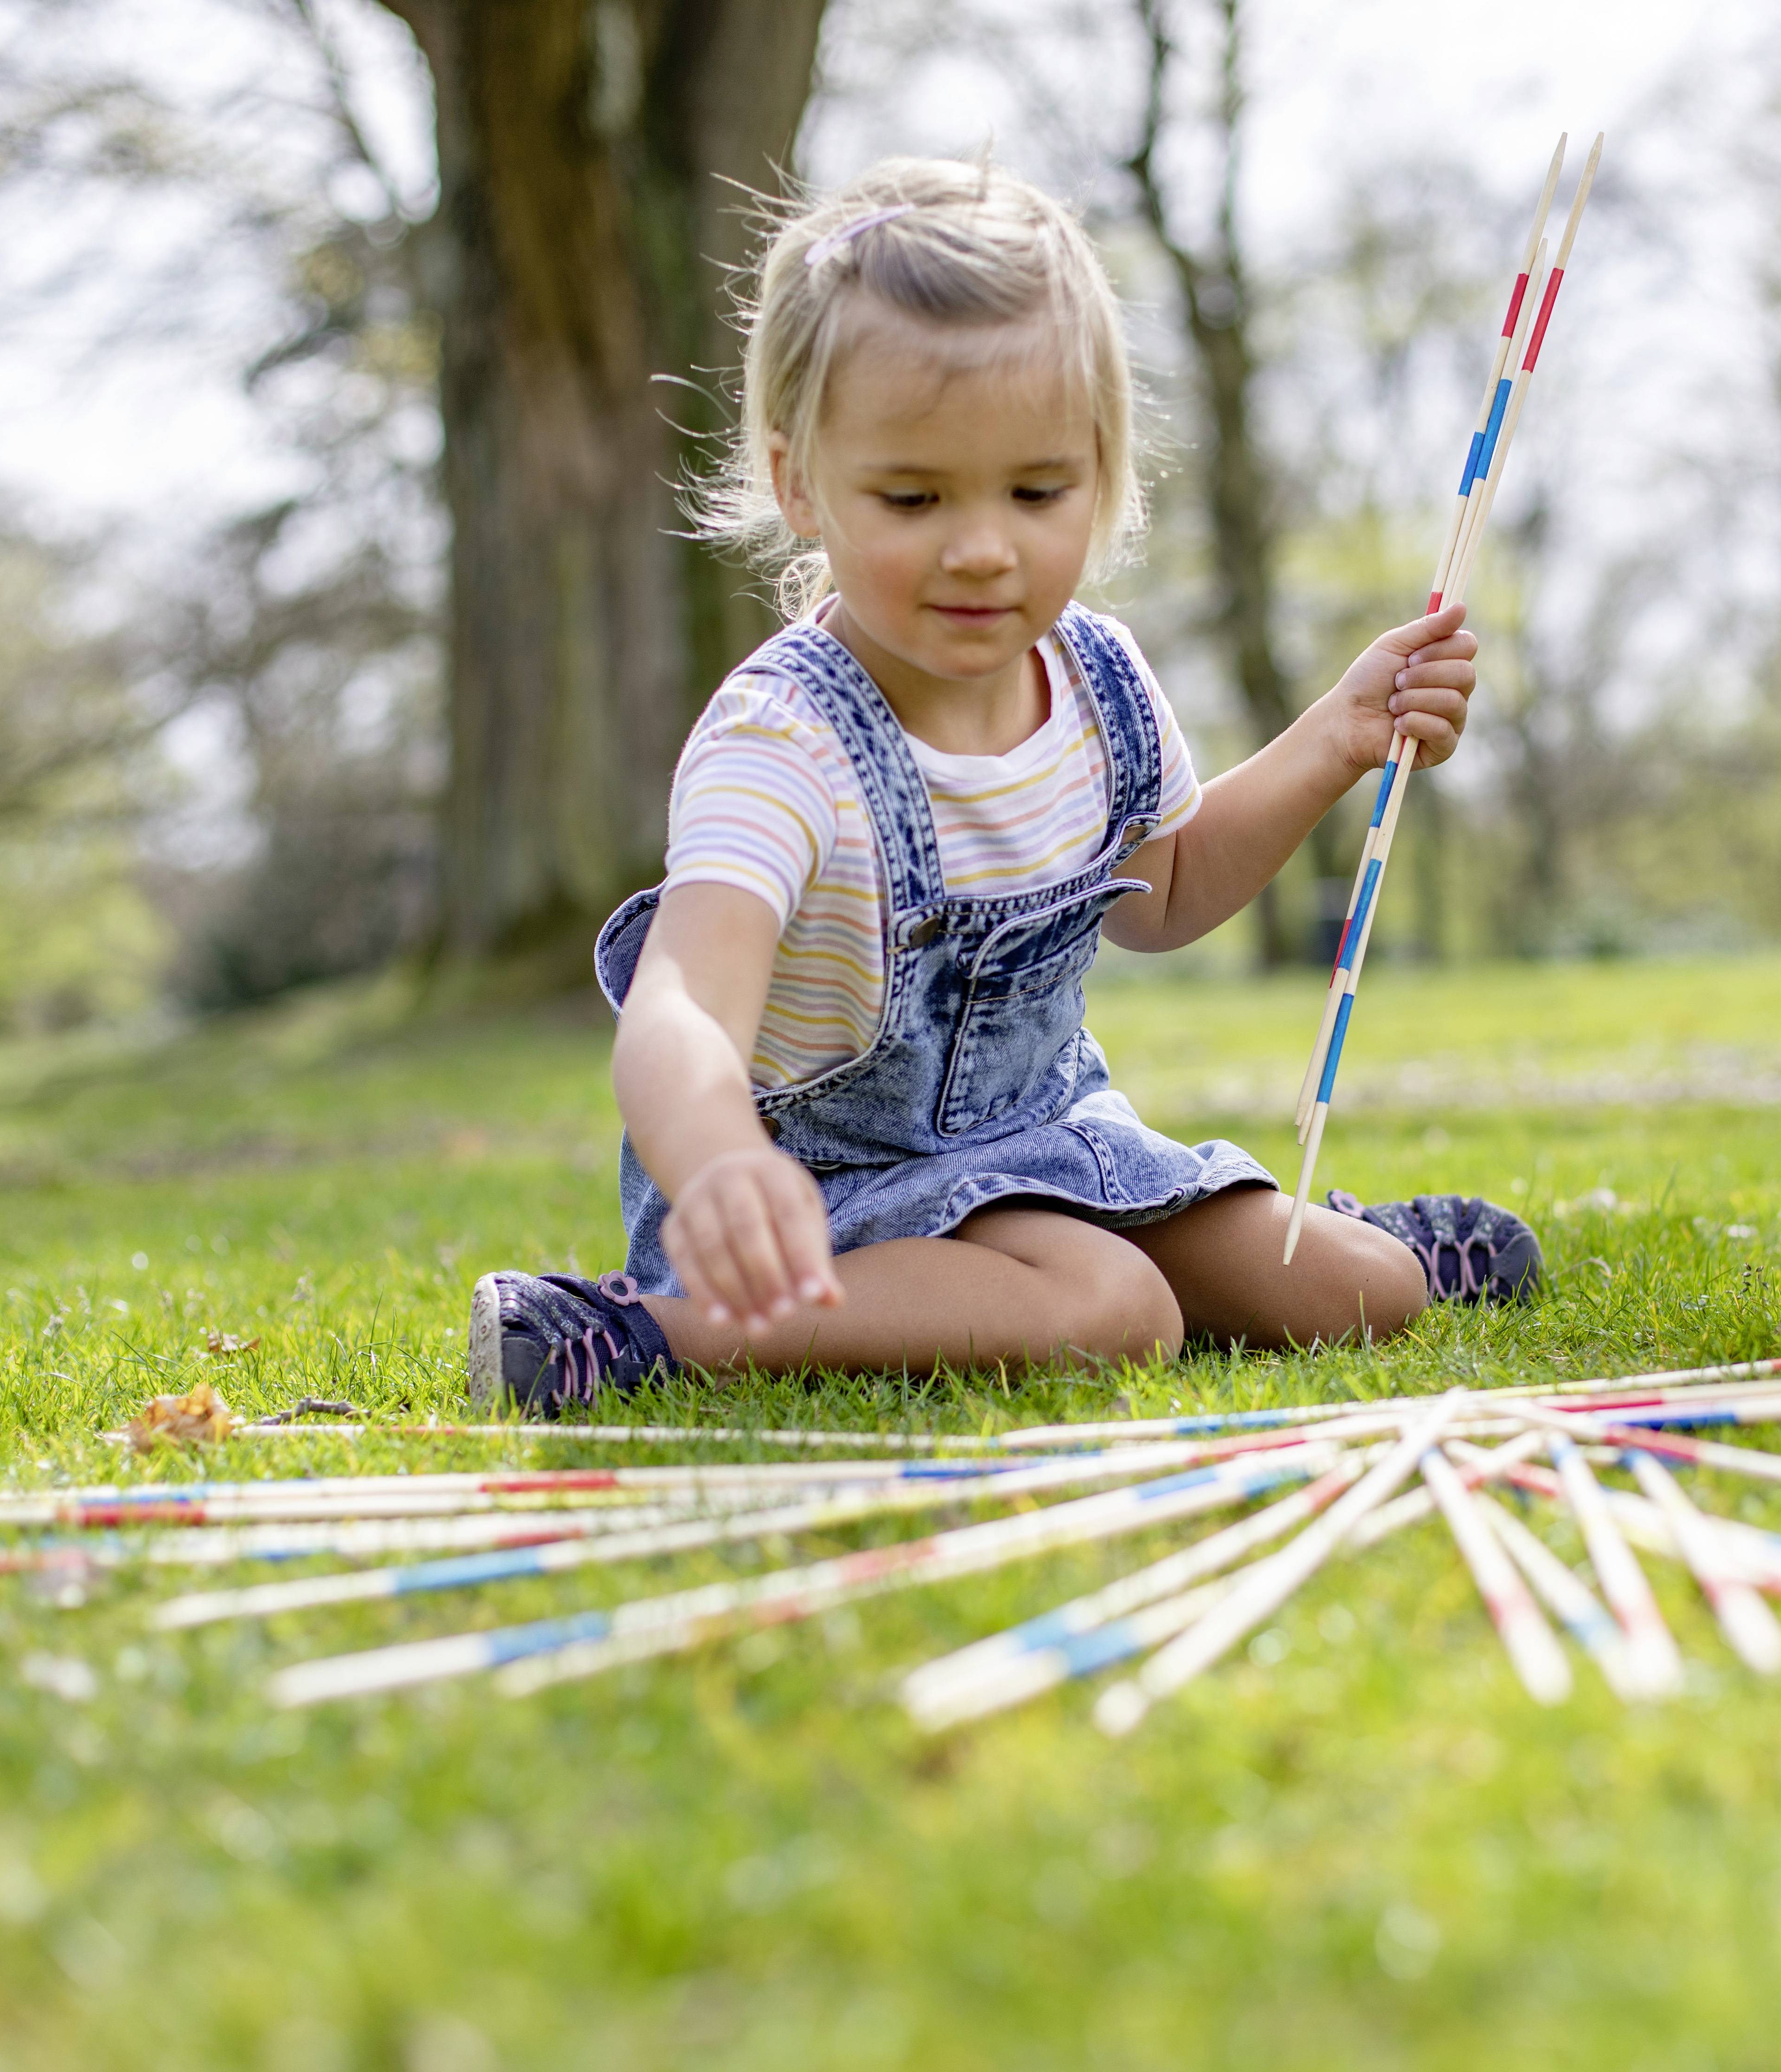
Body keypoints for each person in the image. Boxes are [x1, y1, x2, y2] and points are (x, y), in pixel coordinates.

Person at [468, 159, 1541, 1412]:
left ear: (1103, 471)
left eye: (1038, 491)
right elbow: (681, 1011)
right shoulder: (783, 741)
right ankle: (647, 1326)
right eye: (914, 496)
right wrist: (711, 1168)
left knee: (1364, 1290)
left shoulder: (1098, 682)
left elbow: (1171, 889)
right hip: (817, 1197)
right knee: (1116, 1310)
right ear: (798, 481)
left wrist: (1337, 737)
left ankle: (1296, 1238)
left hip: (1044, 1150)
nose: (983, 547)